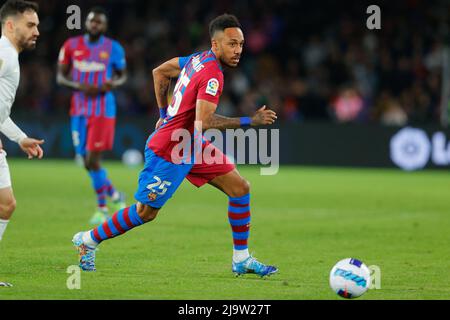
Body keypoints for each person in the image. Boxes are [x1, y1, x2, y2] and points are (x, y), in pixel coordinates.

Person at [72, 14, 278, 277]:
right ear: (215, 45)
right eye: (231, 44)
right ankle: (88, 240)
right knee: (146, 213)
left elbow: (160, 71)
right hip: (169, 149)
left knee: (240, 188)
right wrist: (251, 120)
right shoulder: (213, 73)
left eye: (240, 44)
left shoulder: (196, 59)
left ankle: (241, 259)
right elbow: (204, 120)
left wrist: (163, 112)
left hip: (191, 143)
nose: (238, 51)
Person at [57, 7, 127, 225]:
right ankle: (115, 195)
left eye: (99, 22)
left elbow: (122, 76)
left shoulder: (113, 48)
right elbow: (61, 77)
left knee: (92, 159)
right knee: (86, 161)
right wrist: (79, 85)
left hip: (102, 110)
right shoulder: (71, 45)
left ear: (105, 27)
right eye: (92, 21)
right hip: (78, 109)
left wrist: (111, 84)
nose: (95, 25)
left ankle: (102, 208)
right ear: (86, 23)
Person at [0, 0, 44, 288]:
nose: (37, 31)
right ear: (10, 25)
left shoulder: (10, 57)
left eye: (38, 25)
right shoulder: (3, 52)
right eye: (30, 25)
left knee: (6, 205)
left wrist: (20, 138)